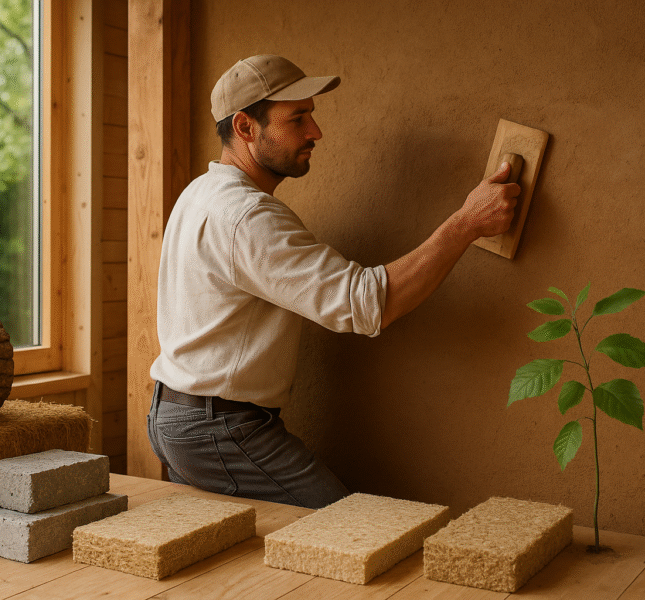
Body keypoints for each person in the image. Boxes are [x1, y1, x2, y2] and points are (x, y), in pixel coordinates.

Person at [147, 54, 519, 509]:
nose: (315, 132)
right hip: (217, 430)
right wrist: (466, 224)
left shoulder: (200, 193)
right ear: (245, 127)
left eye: (312, 116)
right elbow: (366, 305)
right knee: (348, 533)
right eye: (297, 119)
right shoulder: (247, 216)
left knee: (229, 555)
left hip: (176, 417)